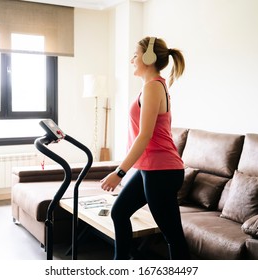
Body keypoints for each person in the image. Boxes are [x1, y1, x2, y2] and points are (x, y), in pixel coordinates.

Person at [100, 36, 190, 260]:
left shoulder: (153, 87)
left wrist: (119, 172)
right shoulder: (152, 86)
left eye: (135, 54)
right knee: (119, 212)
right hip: (152, 169)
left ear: (148, 58)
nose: (132, 59)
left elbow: (145, 135)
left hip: (162, 171)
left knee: (173, 236)